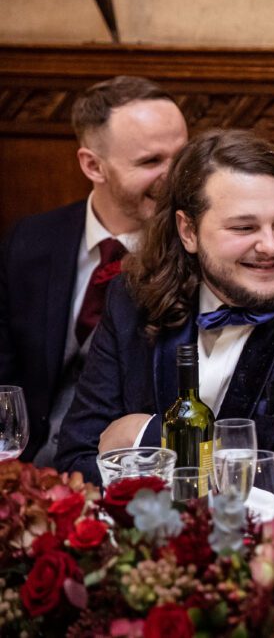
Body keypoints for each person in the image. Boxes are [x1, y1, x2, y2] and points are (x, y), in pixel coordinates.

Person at [55, 129, 274, 498]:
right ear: (188, 232)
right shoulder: (131, 300)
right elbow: (76, 458)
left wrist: (146, 437)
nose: (270, 245)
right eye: (244, 227)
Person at [0, 76, 188, 466]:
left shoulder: (197, 255)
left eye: (183, 158)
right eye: (151, 162)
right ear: (93, 165)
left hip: (128, 476)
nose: (177, 179)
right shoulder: (30, 241)